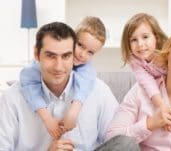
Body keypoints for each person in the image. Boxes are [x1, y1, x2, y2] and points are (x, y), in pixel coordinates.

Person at [0, 22, 118, 150]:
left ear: (73, 54)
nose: (58, 67)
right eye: (51, 56)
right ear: (36, 53)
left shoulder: (99, 91)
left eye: (66, 56)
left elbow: (118, 141)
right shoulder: (12, 99)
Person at [19, 16, 106, 139]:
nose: (82, 55)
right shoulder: (38, 67)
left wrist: (74, 111)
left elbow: (86, 83)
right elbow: (27, 78)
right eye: (80, 45)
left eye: (90, 52)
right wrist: (47, 118)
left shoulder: (87, 71)